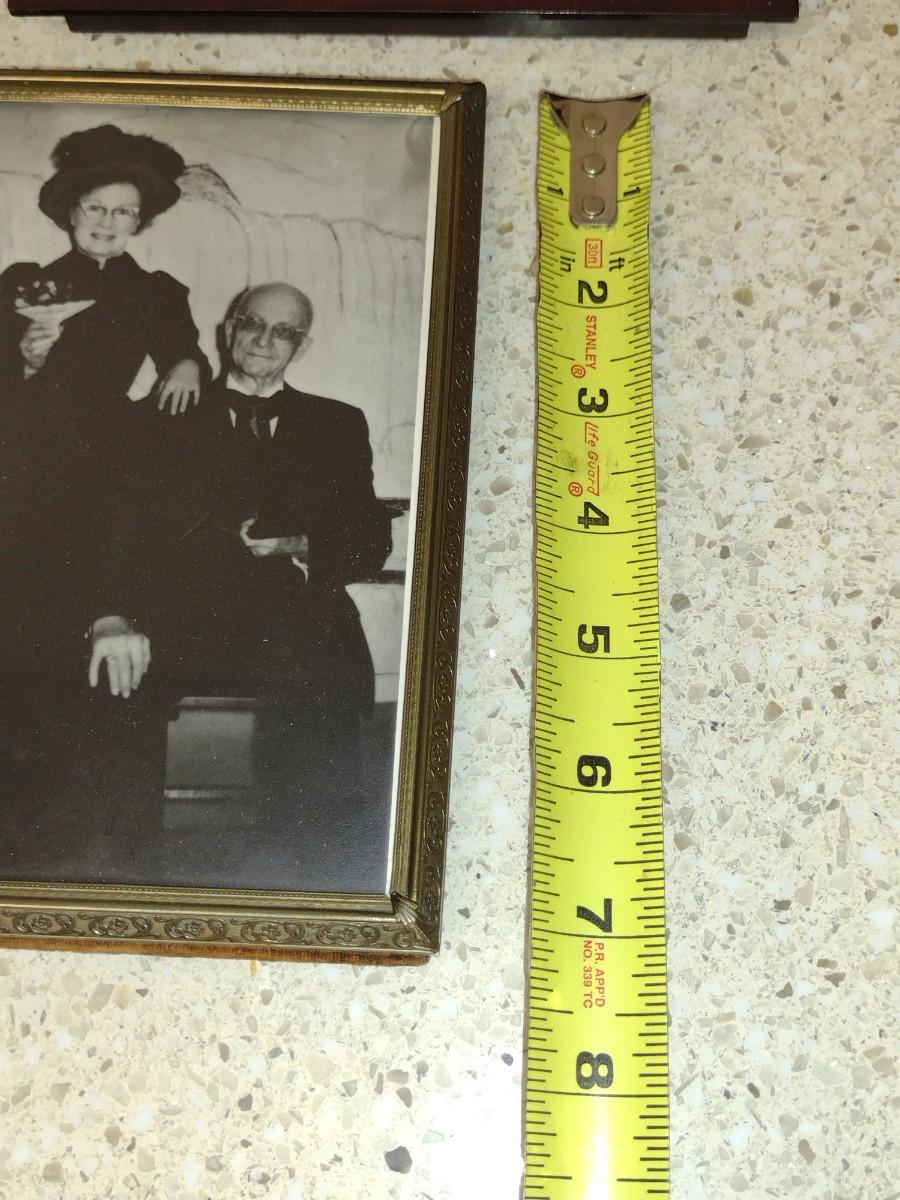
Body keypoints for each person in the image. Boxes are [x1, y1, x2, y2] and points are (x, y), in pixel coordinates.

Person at [0, 124, 209, 869]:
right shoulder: (25, 281)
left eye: (125, 212)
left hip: (112, 456)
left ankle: (110, 850)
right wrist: (26, 361)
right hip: (29, 457)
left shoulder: (158, 290)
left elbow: (183, 346)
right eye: (97, 207)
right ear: (71, 211)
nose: (108, 222)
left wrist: (186, 364)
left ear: (140, 222)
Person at [179, 282, 393, 821]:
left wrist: (301, 545)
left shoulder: (337, 423)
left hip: (302, 624)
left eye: (284, 332)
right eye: (253, 324)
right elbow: (139, 529)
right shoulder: (173, 412)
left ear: (303, 346)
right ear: (230, 329)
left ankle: (314, 839)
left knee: (318, 658)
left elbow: (371, 540)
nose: (264, 341)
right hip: (195, 617)